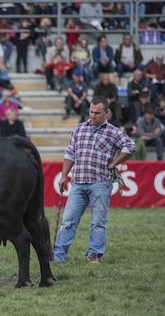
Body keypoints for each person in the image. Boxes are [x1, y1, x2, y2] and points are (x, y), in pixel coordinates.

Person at [54, 96, 137, 263]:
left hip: (100, 183)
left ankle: (94, 254)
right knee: (68, 220)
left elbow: (130, 146)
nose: (93, 115)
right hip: (77, 182)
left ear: (107, 112)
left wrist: (115, 162)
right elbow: (70, 153)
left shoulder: (113, 131)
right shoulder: (78, 129)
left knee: (98, 222)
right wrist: (64, 176)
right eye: (91, 112)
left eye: (97, 113)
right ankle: (58, 255)